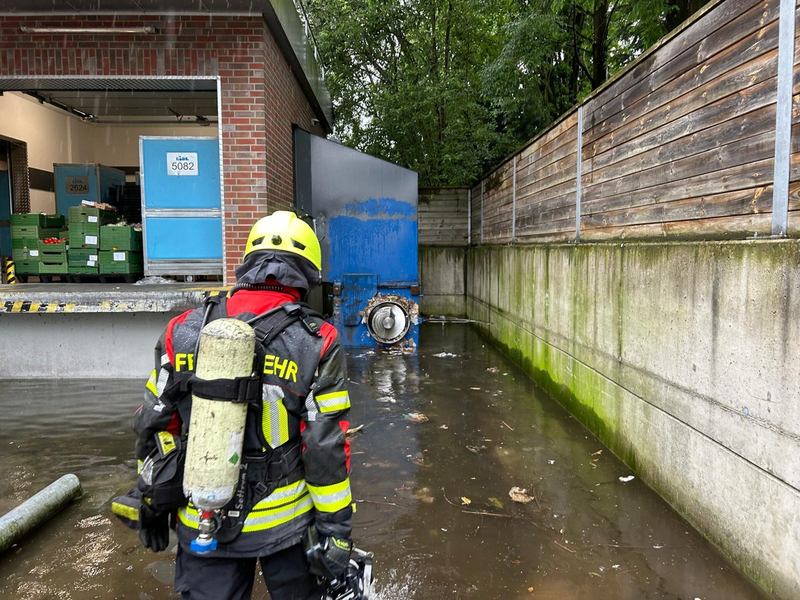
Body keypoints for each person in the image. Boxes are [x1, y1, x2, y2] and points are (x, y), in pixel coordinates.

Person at [113, 211, 354, 600]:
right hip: (286, 526)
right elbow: (325, 447)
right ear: (307, 275)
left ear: (248, 264)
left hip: (203, 517)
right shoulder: (318, 340)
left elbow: (154, 423)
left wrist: (152, 497)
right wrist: (336, 532)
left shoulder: (183, 329)